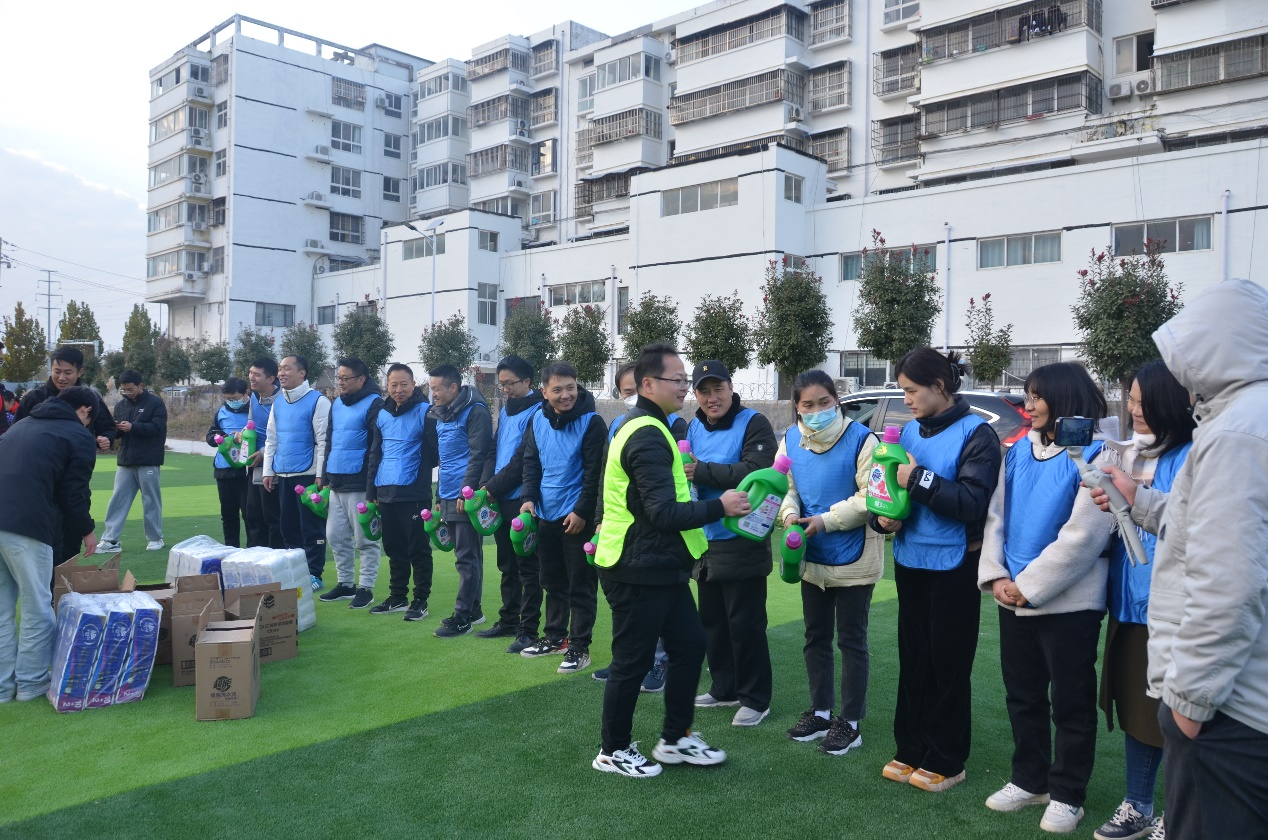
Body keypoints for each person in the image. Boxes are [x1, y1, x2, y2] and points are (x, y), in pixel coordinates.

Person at [1120, 279, 1268, 840]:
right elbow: (1209, 529)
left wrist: (1187, 702)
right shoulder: (1248, 419)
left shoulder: (1236, 432)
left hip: (1230, 710)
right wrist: (1140, 502)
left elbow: (1229, 581)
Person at [591, 342, 752, 779]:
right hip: (635, 567)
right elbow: (663, 513)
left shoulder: (653, 426)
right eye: (677, 380)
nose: (685, 387)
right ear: (648, 384)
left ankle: (675, 738)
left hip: (659, 565)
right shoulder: (645, 432)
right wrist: (721, 506)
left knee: (690, 646)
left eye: (685, 380)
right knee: (632, 661)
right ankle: (613, 750)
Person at [978, 362, 1114, 835]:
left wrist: (1030, 586)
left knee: (1071, 702)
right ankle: (1029, 780)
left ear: (1064, 398)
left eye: (1036, 397)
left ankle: (1068, 794)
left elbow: (1084, 535)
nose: (1028, 405)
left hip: (1070, 604)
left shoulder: (1097, 453)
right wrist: (997, 576)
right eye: (1028, 396)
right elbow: (996, 515)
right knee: (1023, 695)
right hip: (1014, 598)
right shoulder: (1019, 449)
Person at [870, 349, 1002, 792]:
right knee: (914, 659)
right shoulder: (907, 432)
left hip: (956, 566)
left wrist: (918, 479)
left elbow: (972, 503)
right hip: (911, 561)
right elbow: (886, 494)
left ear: (940, 386)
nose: (906, 399)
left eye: (911, 391)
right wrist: (883, 520)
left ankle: (947, 758)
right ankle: (910, 748)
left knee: (949, 663)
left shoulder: (978, 434)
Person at [1085, 361, 1195, 840]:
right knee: (1136, 708)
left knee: (1182, 716)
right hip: (1130, 604)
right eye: (1130, 399)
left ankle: (1177, 814)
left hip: (1179, 610)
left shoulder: (1197, 455)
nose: (1133, 410)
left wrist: (1137, 499)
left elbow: (1196, 530)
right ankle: (1138, 804)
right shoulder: (1131, 452)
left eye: (1142, 401)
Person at [777, 370, 883, 756]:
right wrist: (790, 515)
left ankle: (850, 722)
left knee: (851, 640)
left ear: (836, 401)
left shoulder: (863, 439)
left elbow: (870, 496)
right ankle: (821, 712)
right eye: (808, 405)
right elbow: (785, 487)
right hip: (810, 555)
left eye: (824, 402)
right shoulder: (790, 439)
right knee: (816, 636)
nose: (817, 410)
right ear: (797, 407)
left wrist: (824, 521)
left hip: (854, 557)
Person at [685, 360, 777, 727]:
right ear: (695, 395)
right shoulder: (693, 426)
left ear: (731, 387)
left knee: (745, 624)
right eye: (704, 391)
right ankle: (724, 688)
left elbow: (756, 471)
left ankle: (755, 698)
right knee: (713, 623)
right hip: (705, 540)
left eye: (718, 389)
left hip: (743, 538)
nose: (712, 398)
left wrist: (702, 471)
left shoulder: (754, 422)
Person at [592, 361, 687, 689]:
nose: (633, 397)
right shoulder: (620, 424)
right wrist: (600, 518)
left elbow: (667, 489)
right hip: (623, 536)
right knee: (629, 612)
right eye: (626, 392)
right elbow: (607, 478)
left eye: (636, 390)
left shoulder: (672, 425)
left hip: (658, 535)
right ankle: (625, 660)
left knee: (658, 610)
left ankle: (657, 663)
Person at [0, 387, 98, 702]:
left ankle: (2, 688)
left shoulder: (21, 425)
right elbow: (74, 492)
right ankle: (30, 684)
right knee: (37, 606)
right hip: (27, 524)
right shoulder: (77, 434)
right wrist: (86, 530)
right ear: (85, 410)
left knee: (2, 610)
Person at [517, 362, 606, 673]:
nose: (566, 395)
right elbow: (531, 463)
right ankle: (556, 638)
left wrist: (582, 511)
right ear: (545, 392)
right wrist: (528, 499)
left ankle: (580, 647)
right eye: (558, 389)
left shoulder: (592, 423)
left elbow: (595, 474)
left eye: (571, 388)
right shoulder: (537, 420)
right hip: (546, 514)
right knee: (552, 581)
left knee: (580, 584)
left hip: (576, 518)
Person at [16, 347, 114, 560]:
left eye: (67, 372)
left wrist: (106, 438)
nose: (61, 377)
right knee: (44, 547)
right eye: (57, 371)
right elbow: (15, 435)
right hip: (38, 484)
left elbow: (108, 426)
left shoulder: (89, 399)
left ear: (79, 372)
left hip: (73, 476)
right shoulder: (34, 399)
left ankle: (64, 576)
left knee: (70, 542)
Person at [478, 355, 544, 653]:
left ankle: (528, 630)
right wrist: (486, 484)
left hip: (523, 499)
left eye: (509, 384)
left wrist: (493, 486)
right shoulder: (506, 409)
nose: (504, 389)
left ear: (527, 382)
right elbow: (494, 448)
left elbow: (522, 459)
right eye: (501, 384)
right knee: (506, 565)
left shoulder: (538, 410)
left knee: (528, 568)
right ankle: (508, 620)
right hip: (500, 498)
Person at [365, 364, 438, 620]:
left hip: (414, 493)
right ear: (387, 386)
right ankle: (397, 597)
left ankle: (420, 600)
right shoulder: (382, 414)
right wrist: (371, 492)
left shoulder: (426, 412)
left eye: (404, 384)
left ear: (414, 384)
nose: (399, 390)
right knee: (394, 548)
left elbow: (435, 452)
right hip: (385, 491)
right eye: (393, 385)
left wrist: (420, 471)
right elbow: (375, 454)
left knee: (418, 549)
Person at [428, 364, 494, 637]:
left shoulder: (475, 411)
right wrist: (438, 496)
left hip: (465, 496)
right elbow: (445, 461)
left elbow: (479, 455)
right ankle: (474, 611)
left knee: (467, 557)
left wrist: (464, 491)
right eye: (431, 389)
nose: (433, 394)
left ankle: (462, 617)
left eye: (436, 389)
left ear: (453, 387)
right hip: (448, 493)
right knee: (467, 555)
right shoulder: (441, 414)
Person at [319, 358, 385, 609]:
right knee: (335, 537)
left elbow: (376, 448)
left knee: (365, 539)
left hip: (360, 483)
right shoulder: (336, 404)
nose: (341, 382)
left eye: (345, 378)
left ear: (361, 379)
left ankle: (365, 587)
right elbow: (329, 441)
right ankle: (346, 584)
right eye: (339, 378)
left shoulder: (375, 404)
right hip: (336, 481)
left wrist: (372, 489)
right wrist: (325, 478)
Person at [262, 354, 331, 591]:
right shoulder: (278, 402)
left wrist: (321, 474)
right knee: (288, 527)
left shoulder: (318, 401)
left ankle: (314, 574)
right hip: (283, 474)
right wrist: (268, 471)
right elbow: (271, 439)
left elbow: (323, 441)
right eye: (280, 369)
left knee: (311, 527)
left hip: (308, 475)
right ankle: (295, 572)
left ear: (302, 373)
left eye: (287, 369)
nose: (281, 373)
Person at [96, 370, 167, 554]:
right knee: (118, 499)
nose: (127, 392)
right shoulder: (121, 405)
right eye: (124, 389)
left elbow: (157, 428)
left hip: (148, 460)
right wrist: (113, 432)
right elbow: (117, 432)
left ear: (140, 385)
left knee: (150, 500)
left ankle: (155, 538)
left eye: (130, 389)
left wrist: (133, 427)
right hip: (126, 460)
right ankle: (110, 540)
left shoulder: (155, 403)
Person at [205, 377, 252, 547]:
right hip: (224, 470)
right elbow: (211, 435)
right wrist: (223, 438)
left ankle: (253, 551)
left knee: (250, 515)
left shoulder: (255, 409)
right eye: (228, 398)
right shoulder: (222, 411)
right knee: (228, 515)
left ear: (245, 393)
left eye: (235, 398)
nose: (231, 401)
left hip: (247, 471)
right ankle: (231, 550)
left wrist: (243, 436)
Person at [244, 358, 284, 549]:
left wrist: (263, 453)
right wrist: (243, 434)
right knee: (253, 516)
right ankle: (254, 557)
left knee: (273, 519)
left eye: (257, 374)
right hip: (254, 466)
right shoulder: (253, 397)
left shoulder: (283, 400)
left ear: (270, 379)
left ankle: (274, 558)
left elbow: (283, 436)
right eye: (251, 373)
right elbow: (251, 425)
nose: (251, 377)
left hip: (273, 467)